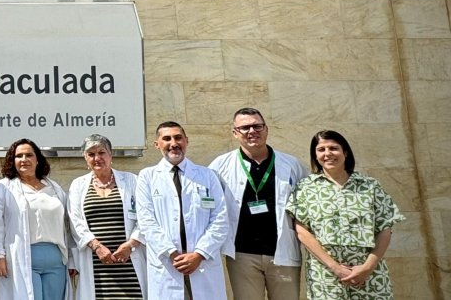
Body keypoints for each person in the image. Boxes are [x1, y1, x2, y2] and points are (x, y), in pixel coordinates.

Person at [285, 130, 403, 300]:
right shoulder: (305, 188)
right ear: (315, 155)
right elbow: (302, 231)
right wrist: (336, 268)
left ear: (345, 152)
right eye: (321, 149)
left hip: (370, 275)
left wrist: (367, 267)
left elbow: (385, 229)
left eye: (333, 148)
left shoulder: (369, 186)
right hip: (325, 277)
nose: (328, 154)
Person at [209, 108, 305, 300]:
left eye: (257, 126)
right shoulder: (220, 166)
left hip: (283, 252)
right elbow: (208, 206)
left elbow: (307, 205)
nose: (252, 131)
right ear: (235, 133)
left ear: (266, 129)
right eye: (245, 127)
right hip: (242, 255)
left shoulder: (291, 164)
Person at [135, 121, 229, 300]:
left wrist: (199, 254)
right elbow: (146, 221)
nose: (174, 143)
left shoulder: (207, 176)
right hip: (168, 264)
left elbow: (220, 219)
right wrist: (171, 253)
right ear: (157, 144)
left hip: (202, 263)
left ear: (186, 141)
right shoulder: (147, 177)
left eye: (178, 138)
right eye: (167, 138)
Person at [0, 138, 75, 300]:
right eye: (19, 156)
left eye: (29, 155)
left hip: (56, 261)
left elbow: (67, 226)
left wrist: (72, 260)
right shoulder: (4, 187)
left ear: (37, 159)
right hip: (23, 259)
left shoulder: (54, 188)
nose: (24, 159)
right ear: (12, 161)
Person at [67, 134, 144, 300]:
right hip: (96, 264)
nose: (97, 158)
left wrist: (130, 245)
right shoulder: (78, 185)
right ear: (85, 158)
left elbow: (145, 216)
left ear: (111, 154)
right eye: (91, 154)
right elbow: (75, 222)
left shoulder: (132, 180)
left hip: (129, 262)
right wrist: (97, 247)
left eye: (101, 152)